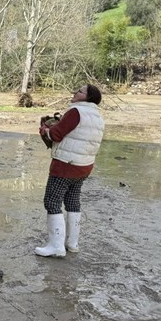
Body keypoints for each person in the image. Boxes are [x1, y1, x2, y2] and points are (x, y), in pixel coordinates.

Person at [35, 84, 105, 258]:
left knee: (51, 201)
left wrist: (45, 130)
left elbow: (56, 135)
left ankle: (56, 246)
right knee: (73, 201)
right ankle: (72, 244)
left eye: (80, 91)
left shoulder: (76, 112)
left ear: (88, 97)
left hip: (66, 163)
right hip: (84, 165)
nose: (75, 92)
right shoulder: (98, 115)